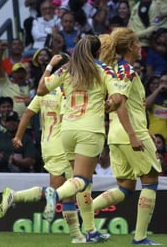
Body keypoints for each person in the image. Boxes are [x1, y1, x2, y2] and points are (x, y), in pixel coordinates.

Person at [0, 54, 85, 242]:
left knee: (66, 194)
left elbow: (27, 114)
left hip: (47, 146)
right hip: (62, 145)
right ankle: (15, 196)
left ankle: (78, 236)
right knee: (70, 189)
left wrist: (18, 136)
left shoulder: (43, 93)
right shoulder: (66, 93)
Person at [36, 35, 114, 242]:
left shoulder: (67, 68)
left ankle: (90, 231)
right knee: (82, 180)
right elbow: (116, 98)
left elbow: (41, 90)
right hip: (90, 130)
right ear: (98, 52)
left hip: (68, 131)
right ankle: (56, 195)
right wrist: (111, 105)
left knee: (81, 183)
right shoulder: (104, 69)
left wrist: (48, 68)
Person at [91, 27, 162, 245]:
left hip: (115, 135)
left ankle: (81, 212)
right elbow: (119, 101)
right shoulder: (126, 70)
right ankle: (140, 238)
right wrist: (134, 134)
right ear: (131, 46)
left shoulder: (113, 69)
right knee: (150, 183)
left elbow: (119, 103)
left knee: (125, 187)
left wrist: (144, 128)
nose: (141, 47)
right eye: (138, 43)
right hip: (129, 134)